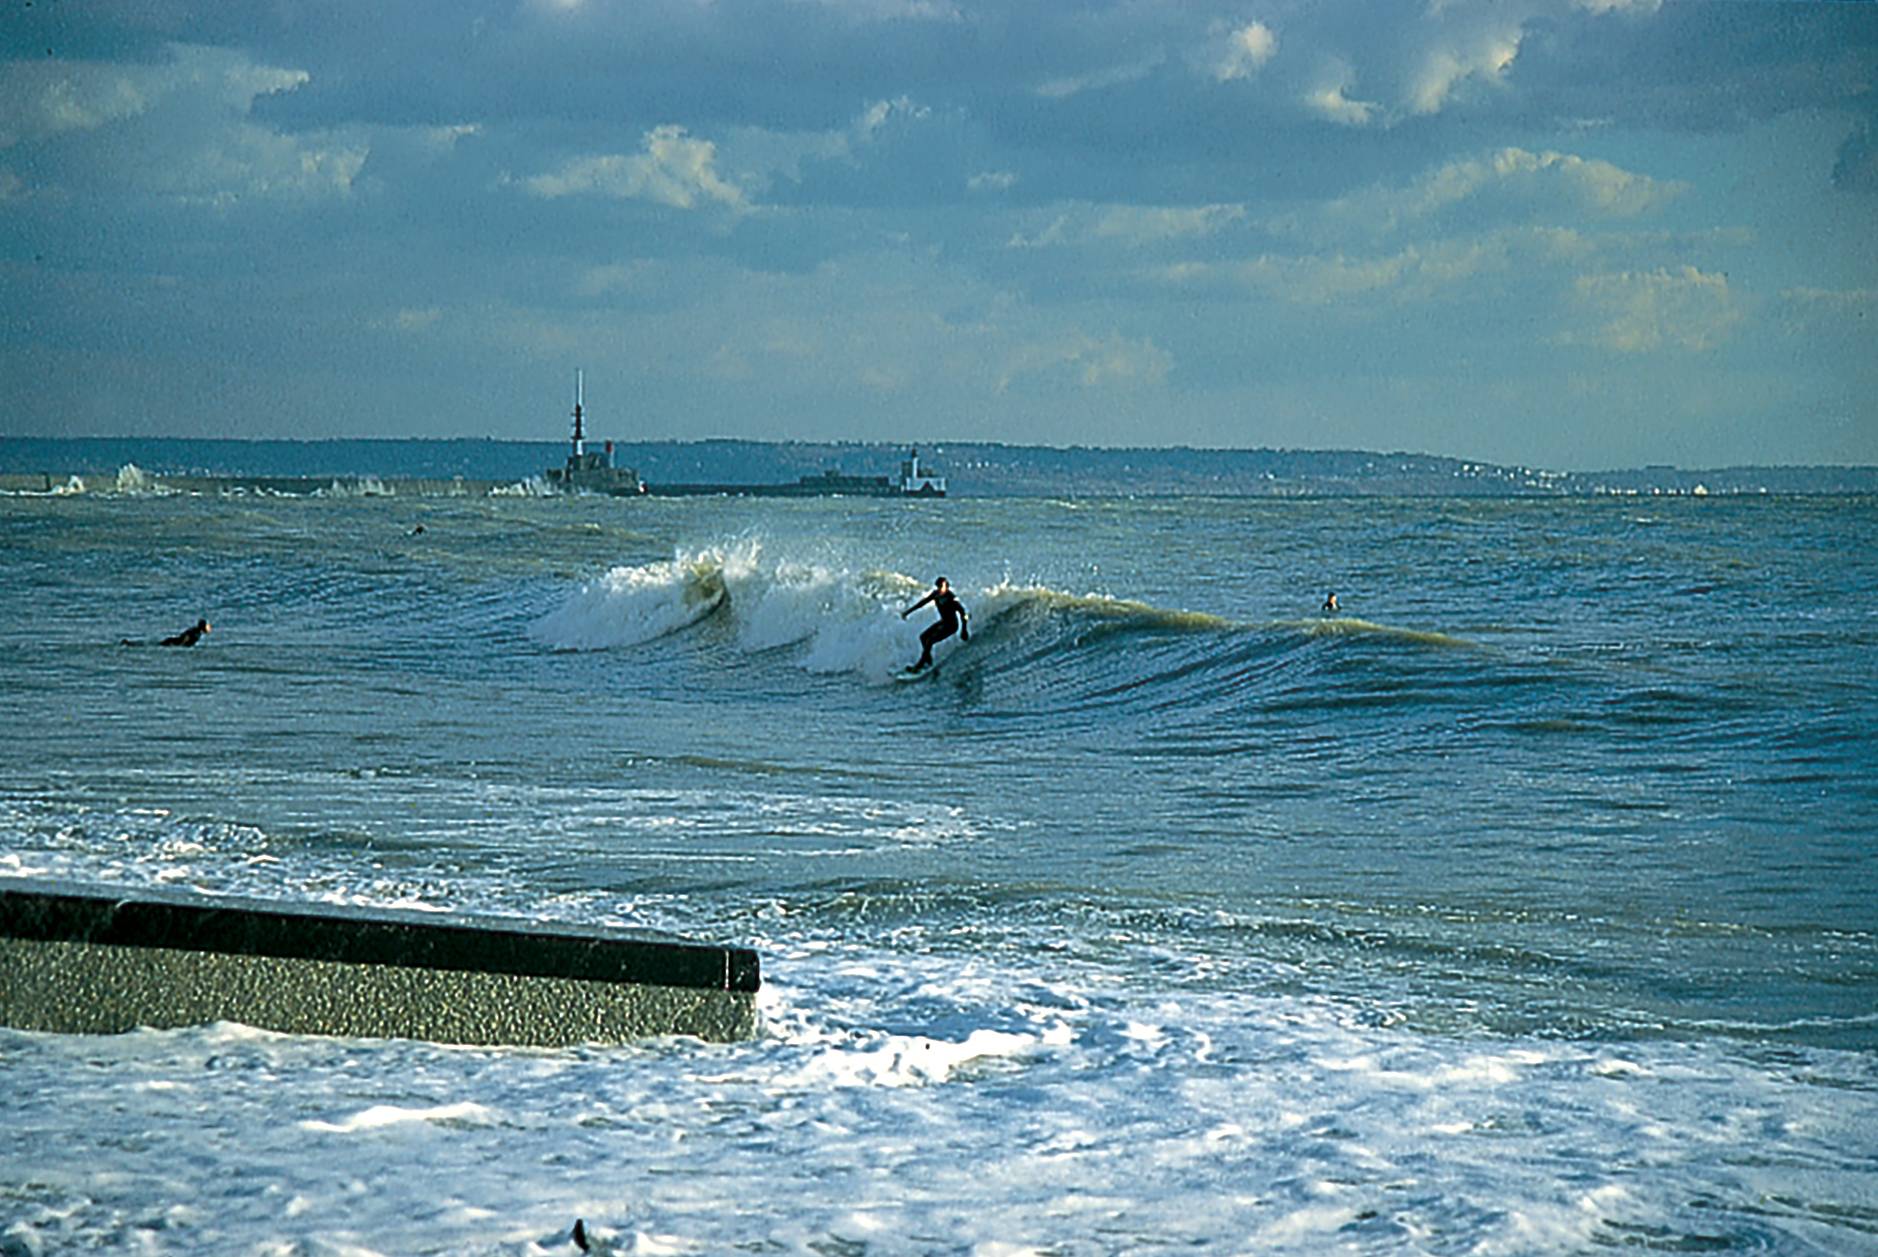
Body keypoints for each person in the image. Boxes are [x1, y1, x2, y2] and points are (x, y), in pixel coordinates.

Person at [901, 577, 969, 672]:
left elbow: (963, 613)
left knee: (930, 640)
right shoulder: (936, 594)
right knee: (923, 637)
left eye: (941, 587)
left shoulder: (952, 598)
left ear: (946, 587)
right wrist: (908, 612)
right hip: (943, 622)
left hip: (952, 626)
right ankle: (928, 662)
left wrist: (964, 629)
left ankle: (919, 665)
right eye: (938, 587)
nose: (939, 589)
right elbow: (922, 603)